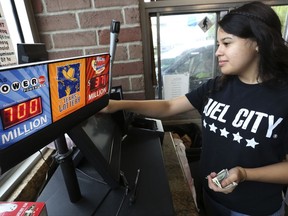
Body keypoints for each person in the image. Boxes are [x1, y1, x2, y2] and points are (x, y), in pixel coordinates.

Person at [102, 1, 288, 215]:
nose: (218, 52)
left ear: (258, 42)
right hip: (210, 196)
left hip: (253, 210)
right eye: (218, 44)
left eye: (227, 43)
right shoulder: (217, 86)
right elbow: (169, 105)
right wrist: (117, 105)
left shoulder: (283, 97)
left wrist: (245, 174)